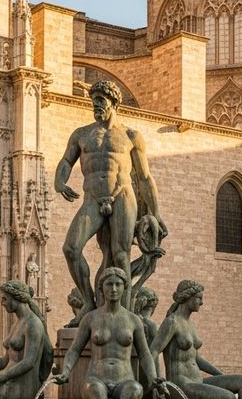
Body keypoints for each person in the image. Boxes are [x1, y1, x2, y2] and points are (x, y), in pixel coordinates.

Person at [54, 79, 167, 319]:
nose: (95, 105)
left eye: (100, 101)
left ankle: (122, 314)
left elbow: (145, 178)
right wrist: (59, 181)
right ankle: (88, 302)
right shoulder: (81, 134)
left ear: (114, 103)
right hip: (93, 198)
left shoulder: (130, 136)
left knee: (121, 254)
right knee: (71, 248)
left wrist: (155, 214)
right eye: (93, 101)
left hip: (122, 196)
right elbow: (66, 161)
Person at [55, 266, 161, 399]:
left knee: (136, 389)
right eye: (109, 284)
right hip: (96, 378)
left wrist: (152, 377)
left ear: (124, 288)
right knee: (95, 389)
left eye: (118, 284)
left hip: (124, 379)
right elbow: (74, 350)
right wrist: (65, 372)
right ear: (101, 288)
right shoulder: (90, 318)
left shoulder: (133, 320)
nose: (113, 289)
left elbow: (145, 353)